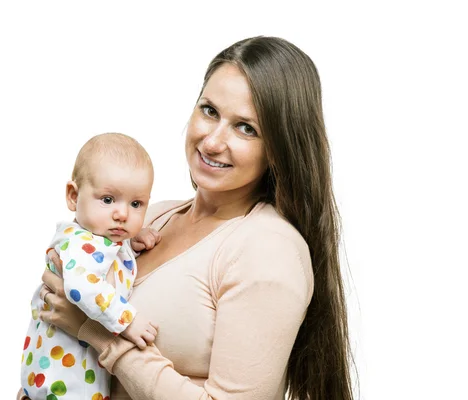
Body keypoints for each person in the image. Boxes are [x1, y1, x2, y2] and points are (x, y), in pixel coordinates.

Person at [18, 36, 354, 400]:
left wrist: (94, 330)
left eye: (246, 128)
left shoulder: (267, 250)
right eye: (209, 111)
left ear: (279, 148)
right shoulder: (153, 218)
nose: (211, 142)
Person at [20, 133, 161, 400]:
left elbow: (108, 265)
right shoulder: (79, 244)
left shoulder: (102, 239)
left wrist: (131, 242)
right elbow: (81, 286)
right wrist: (127, 320)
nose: (122, 214)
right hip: (63, 381)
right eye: (108, 200)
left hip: (78, 374)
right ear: (73, 196)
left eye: (136, 204)